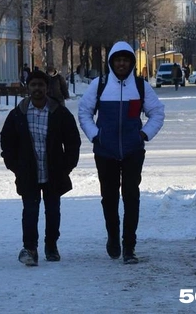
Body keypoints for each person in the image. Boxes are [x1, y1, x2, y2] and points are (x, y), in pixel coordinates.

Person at [78, 42, 165, 264]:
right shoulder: (100, 85)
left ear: (132, 62)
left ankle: (129, 247)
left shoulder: (141, 86)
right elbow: (84, 112)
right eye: (118, 60)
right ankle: (113, 238)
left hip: (132, 151)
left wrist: (143, 135)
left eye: (126, 60)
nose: (122, 63)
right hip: (105, 152)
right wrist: (95, 136)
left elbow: (157, 113)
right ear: (111, 62)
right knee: (109, 199)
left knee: (131, 198)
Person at [0, 69, 81, 266]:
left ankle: (51, 247)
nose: (37, 89)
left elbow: (73, 142)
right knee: (30, 211)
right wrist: (15, 166)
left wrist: (66, 167)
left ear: (47, 88)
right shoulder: (18, 114)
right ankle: (30, 248)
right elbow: (7, 143)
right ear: (28, 88)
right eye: (33, 85)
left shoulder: (59, 112)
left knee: (53, 211)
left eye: (41, 85)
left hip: (54, 172)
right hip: (28, 172)